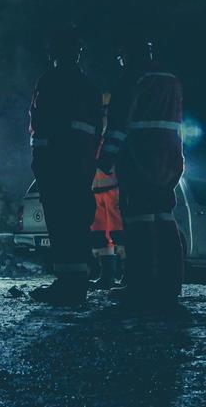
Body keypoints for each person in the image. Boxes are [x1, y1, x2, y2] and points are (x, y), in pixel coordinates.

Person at [98, 37, 185, 306]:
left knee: (139, 221)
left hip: (139, 157)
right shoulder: (171, 78)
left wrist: (106, 156)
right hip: (169, 157)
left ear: (129, 54)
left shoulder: (132, 77)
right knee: (164, 217)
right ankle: (170, 284)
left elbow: (119, 120)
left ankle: (140, 284)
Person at [28, 28, 102, 305]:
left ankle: (67, 285)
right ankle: (77, 281)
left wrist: (40, 162)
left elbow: (41, 125)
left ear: (54, 53)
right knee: (78, 219)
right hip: (80, 164)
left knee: (61, 221)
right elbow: (95, 130)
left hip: (56, 164)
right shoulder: (89, 86)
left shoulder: (50, 81)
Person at [89, 93, 123, 290]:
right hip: (96, 189)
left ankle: (126, 274)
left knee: (120, 234)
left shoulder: (113, 131)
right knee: (100, 235)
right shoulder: (96, 131)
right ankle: (107, 276)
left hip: (113, 187)